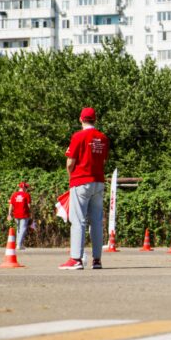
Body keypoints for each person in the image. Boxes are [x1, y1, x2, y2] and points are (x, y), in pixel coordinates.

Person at [59, 107, 109, 270]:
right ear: (95, 119)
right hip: (99, 182)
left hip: (81, 181)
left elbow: (70, 162)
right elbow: (103, 162)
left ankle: (76, 258)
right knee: (96, 221)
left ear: (81, 119)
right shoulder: (103, 138)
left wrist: (71, 176)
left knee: (78, 220)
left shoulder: (78, 136)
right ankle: (97, 260)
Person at [7, 181, 32, 250]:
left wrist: (9, 214)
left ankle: (19, 244)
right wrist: (31, 214)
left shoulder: (14, 195)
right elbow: (29, 206)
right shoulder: (27, 195)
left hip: (16, 215)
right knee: (23, 229)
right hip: (24, 214)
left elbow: (11, 205)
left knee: (18, 229)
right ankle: (19, 245)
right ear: (23, 187)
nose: (27, 188)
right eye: (26, 187)